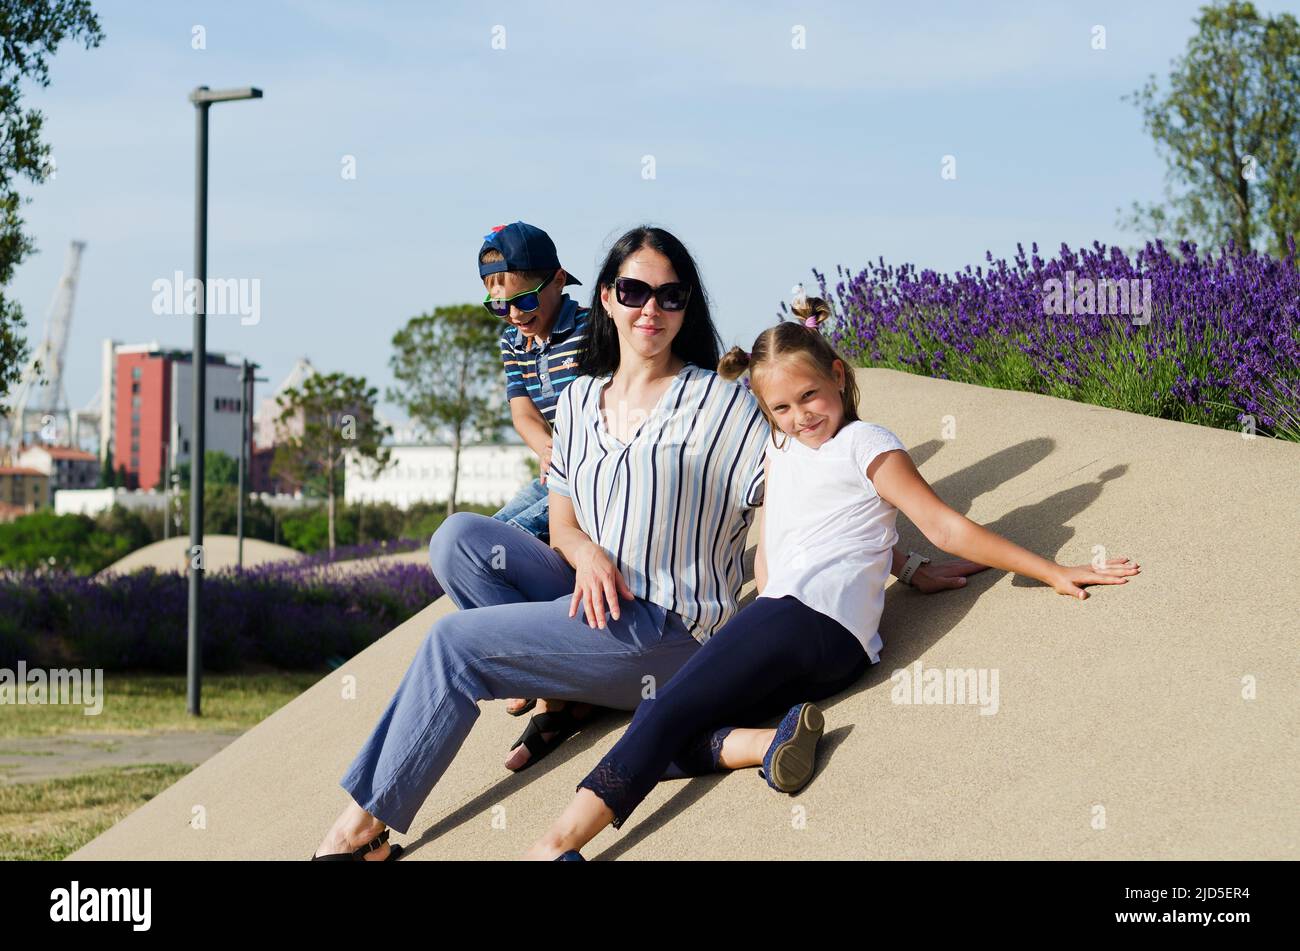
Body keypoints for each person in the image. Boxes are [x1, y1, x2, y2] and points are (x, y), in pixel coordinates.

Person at [312, 234, 973, 861]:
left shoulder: (720, 406)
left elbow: (815, 489)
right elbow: (564, 523)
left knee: (453, 644)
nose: (650, 308)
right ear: (605, 296)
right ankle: (574, 696)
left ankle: (361, 828)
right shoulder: (575, 403)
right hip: (595, 604)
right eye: (634, 291)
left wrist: (904, 562)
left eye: (670, 295)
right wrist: (586, 554)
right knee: (458, 539)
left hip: (670, 626)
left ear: (687, 306)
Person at [524, 289, 1141, 861]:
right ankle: (767, 745)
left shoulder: (865, 442)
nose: (800, 416)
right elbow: (851, 523)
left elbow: (944, 523)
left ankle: (555, 845)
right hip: (830, 647)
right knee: (677, 728)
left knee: (662, 714)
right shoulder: (783, 450)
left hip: (798, 619)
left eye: (811, 397)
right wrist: (909, 566)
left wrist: (1053, 570)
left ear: (839, 377)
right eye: (782, 407)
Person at [478, 220, 589, 723]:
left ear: (559, 281)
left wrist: (567, 457)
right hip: (553, 466)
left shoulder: (590, 331)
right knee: (486, 540)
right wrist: (546, 448)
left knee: (513, 543)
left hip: (590, 472)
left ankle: (547, 665)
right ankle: (524, 660)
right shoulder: (513, 343)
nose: (514, 315)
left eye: (524, 301)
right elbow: (522, 410)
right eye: (499, 306)